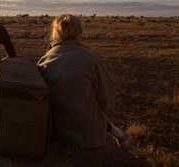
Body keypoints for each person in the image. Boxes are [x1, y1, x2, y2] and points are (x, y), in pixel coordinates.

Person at [37, 14, 131, 149]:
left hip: (52, 130)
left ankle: (118, 133)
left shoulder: (45, 58)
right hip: (84, 136)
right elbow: (106, 99)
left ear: (54, 32)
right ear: (80, 32)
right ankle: (119, 134)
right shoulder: (90, 58)